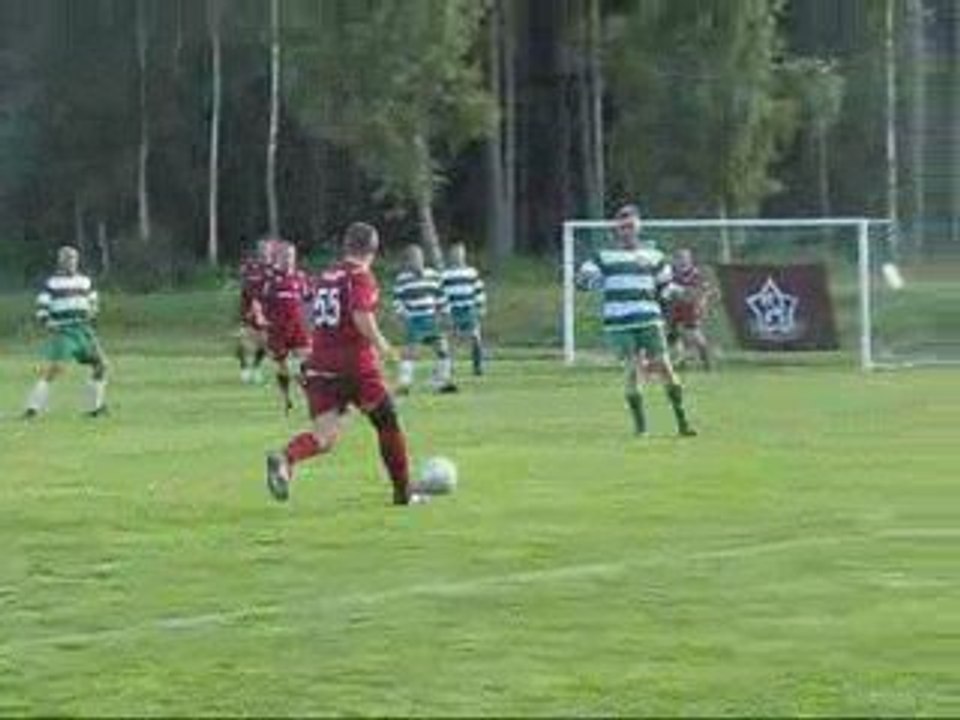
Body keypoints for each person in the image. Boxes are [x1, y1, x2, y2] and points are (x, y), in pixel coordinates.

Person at [265, 222, 426, 506]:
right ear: (373, 250)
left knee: (324, 437)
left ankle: (286, 458)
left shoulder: (327, 275)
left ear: (346, 246)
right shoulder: (360, 277)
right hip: (354, 365)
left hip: (320, 363)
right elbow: (361, 317)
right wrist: (384, 348)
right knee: (387, 422)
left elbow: (310, 311)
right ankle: (404, 492)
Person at [578, 204, 696, 437]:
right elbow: (583, 281)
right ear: (616, 231)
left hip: (649, 320)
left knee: (665, 367)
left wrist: (681, 292)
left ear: (639, 227)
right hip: (620, 323)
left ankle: (682, 422)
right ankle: (641, 428)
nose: (627, 231)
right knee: (633, 370)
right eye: (622, 227)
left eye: (631, 226)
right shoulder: (603, 257)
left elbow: (664, 288)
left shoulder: (655, 256)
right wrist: (585, 280)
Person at [23, 245, 109, 419]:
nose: (71, 262)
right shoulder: (52, 283)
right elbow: (42, 306)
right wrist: (48, 322)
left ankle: (94, 408)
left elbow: (93, 300)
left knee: (101, 365)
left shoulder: (85, 281)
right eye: (67, 258)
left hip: (83, 329)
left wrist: (92, 311)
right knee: (56, 369)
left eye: (73, 258)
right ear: (60, 261)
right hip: (64, 330)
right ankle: (32, 408)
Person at [392, 244, 457, 394]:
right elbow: (397, 301)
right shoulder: (403, 279)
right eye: (413, 259)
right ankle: (404, 384)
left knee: (443, 349)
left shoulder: (433, 275)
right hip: (414, 320)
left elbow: (441, 296)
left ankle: (441, 382)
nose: (417, 262)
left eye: (419, 258)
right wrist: (403, 315)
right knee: (410, 352)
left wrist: (446, 314)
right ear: (407, 262)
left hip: (431, 319)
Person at [262, 241, 314, 414]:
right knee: (283, 366)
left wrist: (310, 322)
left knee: (305, 363)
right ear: (278, 257)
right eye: (285, 256)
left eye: (291, 256)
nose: (289, 259)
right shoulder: (271, 279)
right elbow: (262, 303)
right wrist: (264, 323)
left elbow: (309, 300)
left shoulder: (301, 278)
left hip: (298, 327)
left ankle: (311, 398)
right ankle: (286, 398)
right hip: (278, 329)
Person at [441, 243, 487, 377]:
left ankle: (478, 366)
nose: (458, 256)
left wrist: (480, 306)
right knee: (452, 340)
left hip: (469, 310)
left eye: (460, 253)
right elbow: (442, 293)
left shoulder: (471, 272)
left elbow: (479, 290)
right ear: (451, 255)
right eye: (455, 253)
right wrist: (444, 311)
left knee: (475, 337)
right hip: (453, 310)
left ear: (464, 255)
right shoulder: (446, 274)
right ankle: (449, 366)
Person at [666, 248, 714, 371]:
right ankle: (680, 360)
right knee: (672, 333)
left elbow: (704, 290)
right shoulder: (671, 272)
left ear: (690, 259)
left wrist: (702, 303)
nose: (682, 261)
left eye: (685, 258)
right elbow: (666, 288)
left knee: (694, 334)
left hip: (689, 307)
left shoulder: (695, 273)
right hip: (674, 306)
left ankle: (706, 361)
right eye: (679, 258)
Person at [237, 238, 274, 384]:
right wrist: (254, 311)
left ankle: (256, 368)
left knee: (264, 343)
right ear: (259, 251)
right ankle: (244, 368)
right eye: (264, 250)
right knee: (243, 340)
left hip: (265, 311)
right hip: (248, 310)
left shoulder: (273, 269)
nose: (266, 252)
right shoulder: (250, 268)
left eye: (269, 250)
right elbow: (249, 291)